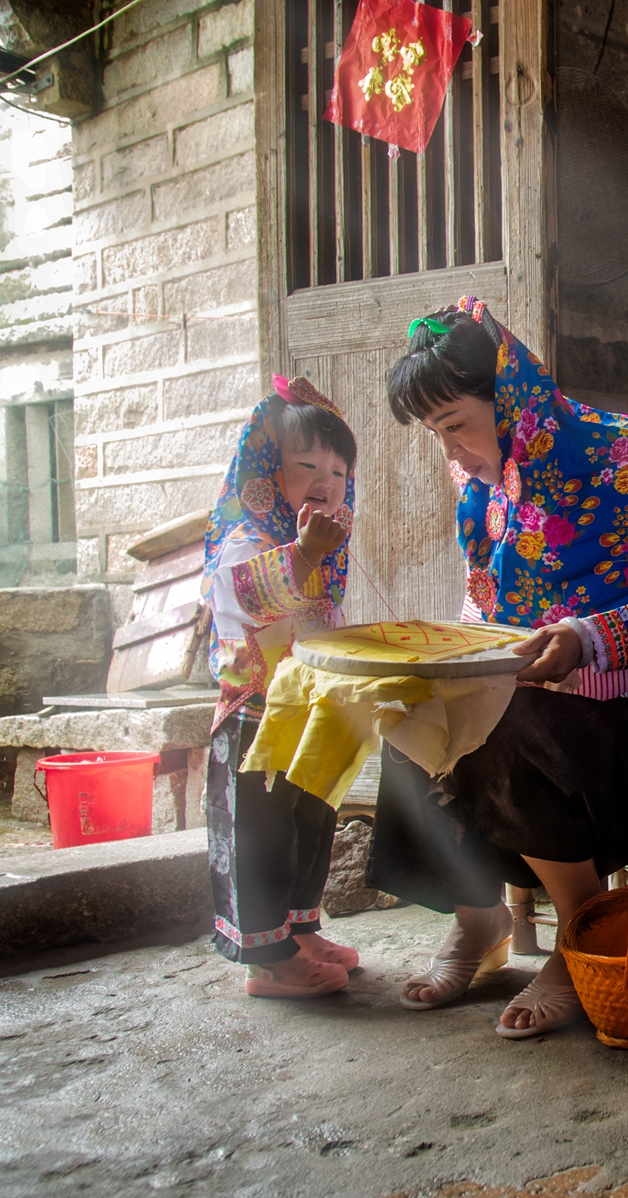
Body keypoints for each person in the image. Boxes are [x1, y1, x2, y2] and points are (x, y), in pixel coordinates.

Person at [366, 297, 628, 1038]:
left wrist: (588, 638)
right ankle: (479, 919)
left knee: (508, 722)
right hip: (547, 732)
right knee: (409, 710)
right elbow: (485, 616)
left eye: (457, 427)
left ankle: (579, 929)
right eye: (437, 437)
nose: (452, 454)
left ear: (511, 403)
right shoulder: (487, 497)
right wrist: (451, 662)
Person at [201, 375, 362, 998]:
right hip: (256, 713)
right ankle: (267, 959)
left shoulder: (328, 547)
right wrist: (299, 556)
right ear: (268, 474)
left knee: (311, 821)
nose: (326, 479)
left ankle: (300, 928)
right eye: (306, 465)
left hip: (308, 709)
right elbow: (246, 597)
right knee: (260, 830)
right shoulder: (247, 541)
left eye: (340, 471)